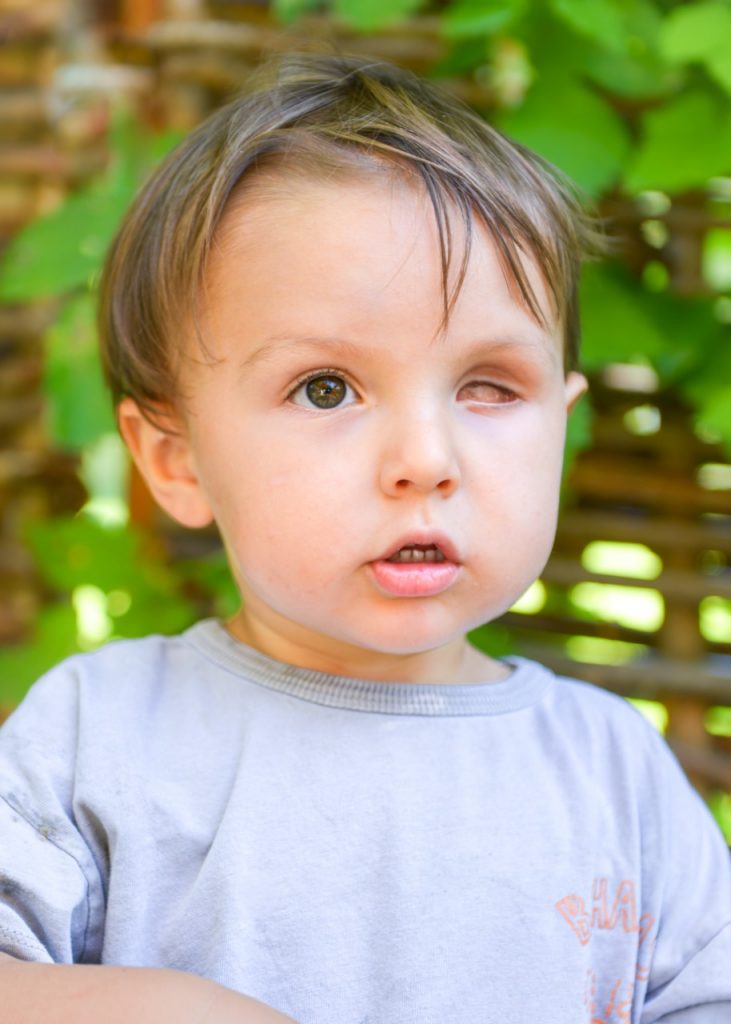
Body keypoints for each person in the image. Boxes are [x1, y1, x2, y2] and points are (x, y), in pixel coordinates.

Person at [0, 52, 729, 1024]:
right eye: (325, 388)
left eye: (488, 386)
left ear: (560, 421)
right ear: (175, 459)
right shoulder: (99, 737)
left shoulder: (613, 773)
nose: (425, 457)